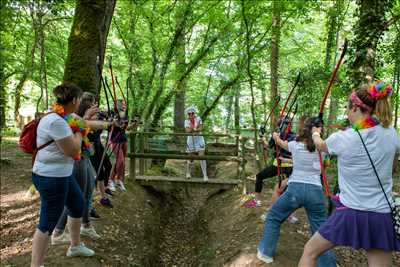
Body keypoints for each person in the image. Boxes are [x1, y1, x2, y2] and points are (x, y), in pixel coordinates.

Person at [299, 81, 400, 267]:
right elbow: (393, 162)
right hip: (381, 215)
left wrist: (315, 132)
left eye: (348, 107)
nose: (347, 111)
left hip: (351, 212)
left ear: (355, 107)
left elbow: (320, 146)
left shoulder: (344, 138)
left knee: (310, 252)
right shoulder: (391, 133)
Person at [257, 117, 336, 266]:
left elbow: (280, 143)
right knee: (321, 231)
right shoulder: (324, 147)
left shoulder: (294, 145)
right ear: (318, 131)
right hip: (316, 192)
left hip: (295, 191)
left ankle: (266, 253)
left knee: (273, 216)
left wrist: (275, 136)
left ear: (304, 130)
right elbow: (325, 164)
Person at [31, 83, 94, 267]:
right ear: (74, 100)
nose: (80, 103)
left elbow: (83, 123)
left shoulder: (64, 116)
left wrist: (87, 124)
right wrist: (79, 132)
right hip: (51, 178)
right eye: (80, 100)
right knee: (47, 222)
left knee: (77, 205)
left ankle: (75, 246)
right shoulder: (56, 121)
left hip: (62, 174)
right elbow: (73, 151)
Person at [51, 92, 113, 243]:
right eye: (91, 103)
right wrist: (92, 118)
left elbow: (92, 125)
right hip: (77, 159)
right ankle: (58, 232)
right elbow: (84, 126)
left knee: (87, 193)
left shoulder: (75, 116)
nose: (95, 106)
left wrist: (109, 123)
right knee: (77, 197)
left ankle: (86, 225)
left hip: (84, 158)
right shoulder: (69, 117)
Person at [248, 118, 295, 208]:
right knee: (288, 187)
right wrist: (263, 137)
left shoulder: (278, 136)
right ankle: (287, 209)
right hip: (288, 166)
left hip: (282, 165)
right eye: (289, 124)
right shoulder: (294, 136)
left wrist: (263, 137)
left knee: (260, 177)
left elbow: (268, 146)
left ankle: (257, 201)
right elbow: (269, 146)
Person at [108, 100, 129, 191]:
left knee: (121, 163)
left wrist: (135, 123)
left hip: (124, 140)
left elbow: (126, 128)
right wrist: (115, 122)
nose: (124, 106)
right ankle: (110, 180)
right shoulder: (112, 114)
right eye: (122, 104)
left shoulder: (125, 115)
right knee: (120, 161)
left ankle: (118, 180)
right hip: (115, 140)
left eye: (125, 104)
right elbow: (110, 125)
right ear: (117, 106)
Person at [185, 107, 208, 181]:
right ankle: (188, 172)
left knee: (202, 156)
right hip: (190, 141)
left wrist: (194, 129)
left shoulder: (199, 119)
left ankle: (205, 175)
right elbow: (187, 131)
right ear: (187, 114)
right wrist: (194, 128)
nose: (191, 114)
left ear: (194, 113)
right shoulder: (186, 121)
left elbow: (201, 128)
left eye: (192, 113)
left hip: (200, 140)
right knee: (190, 158)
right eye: (189, 113)